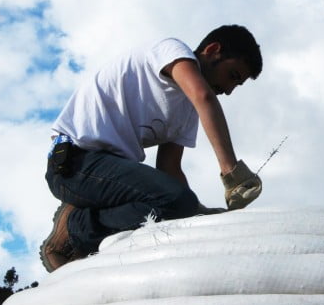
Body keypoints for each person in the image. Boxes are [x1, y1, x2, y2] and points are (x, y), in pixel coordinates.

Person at [41, 24, 264, 272]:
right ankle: (74, 230)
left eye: (238, 84)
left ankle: (86, 231)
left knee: (181, 207)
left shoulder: (186, 112)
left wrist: (199, 215)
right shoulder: (172, 50)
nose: (230, 90)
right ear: (212, 50)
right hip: (74, 163)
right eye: (232, 75)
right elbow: (204, 97)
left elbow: (170, 169)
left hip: (104, 176)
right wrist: (231, 171)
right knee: (178, 202)